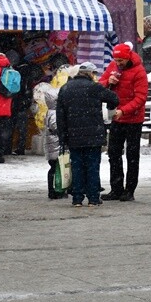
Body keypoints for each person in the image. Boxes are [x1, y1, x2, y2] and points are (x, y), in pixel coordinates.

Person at [56, 62, 119, 207]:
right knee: (92, 167)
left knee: (77, 167)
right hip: (93, 136)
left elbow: (61, 116)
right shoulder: (95, 88)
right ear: (90, 74)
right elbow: (114, 99)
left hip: (73, 136)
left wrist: (63, 136)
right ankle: (93, 198)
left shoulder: (65, 89)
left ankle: (77, 198)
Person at [99, 42, 148, 202]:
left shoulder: (139, 71)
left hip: (133, 119)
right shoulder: (113, 66)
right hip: (117, 117)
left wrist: (124, 110)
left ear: (127, 58)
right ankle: (116, 188)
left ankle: (130, 190)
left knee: (132, 156)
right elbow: (100, 85)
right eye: (116, 60)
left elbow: (140, 97)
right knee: (113, 153)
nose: (117, 63)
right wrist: (109, 83)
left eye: (120, 60)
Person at [38, 85, 67, 199]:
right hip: (56, 143)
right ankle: (55, 190)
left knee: (55, 167)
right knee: (56, 167)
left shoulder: (50, 112)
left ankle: (55, 189)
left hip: (52, 144)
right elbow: (56, 127)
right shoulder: (55, 113)